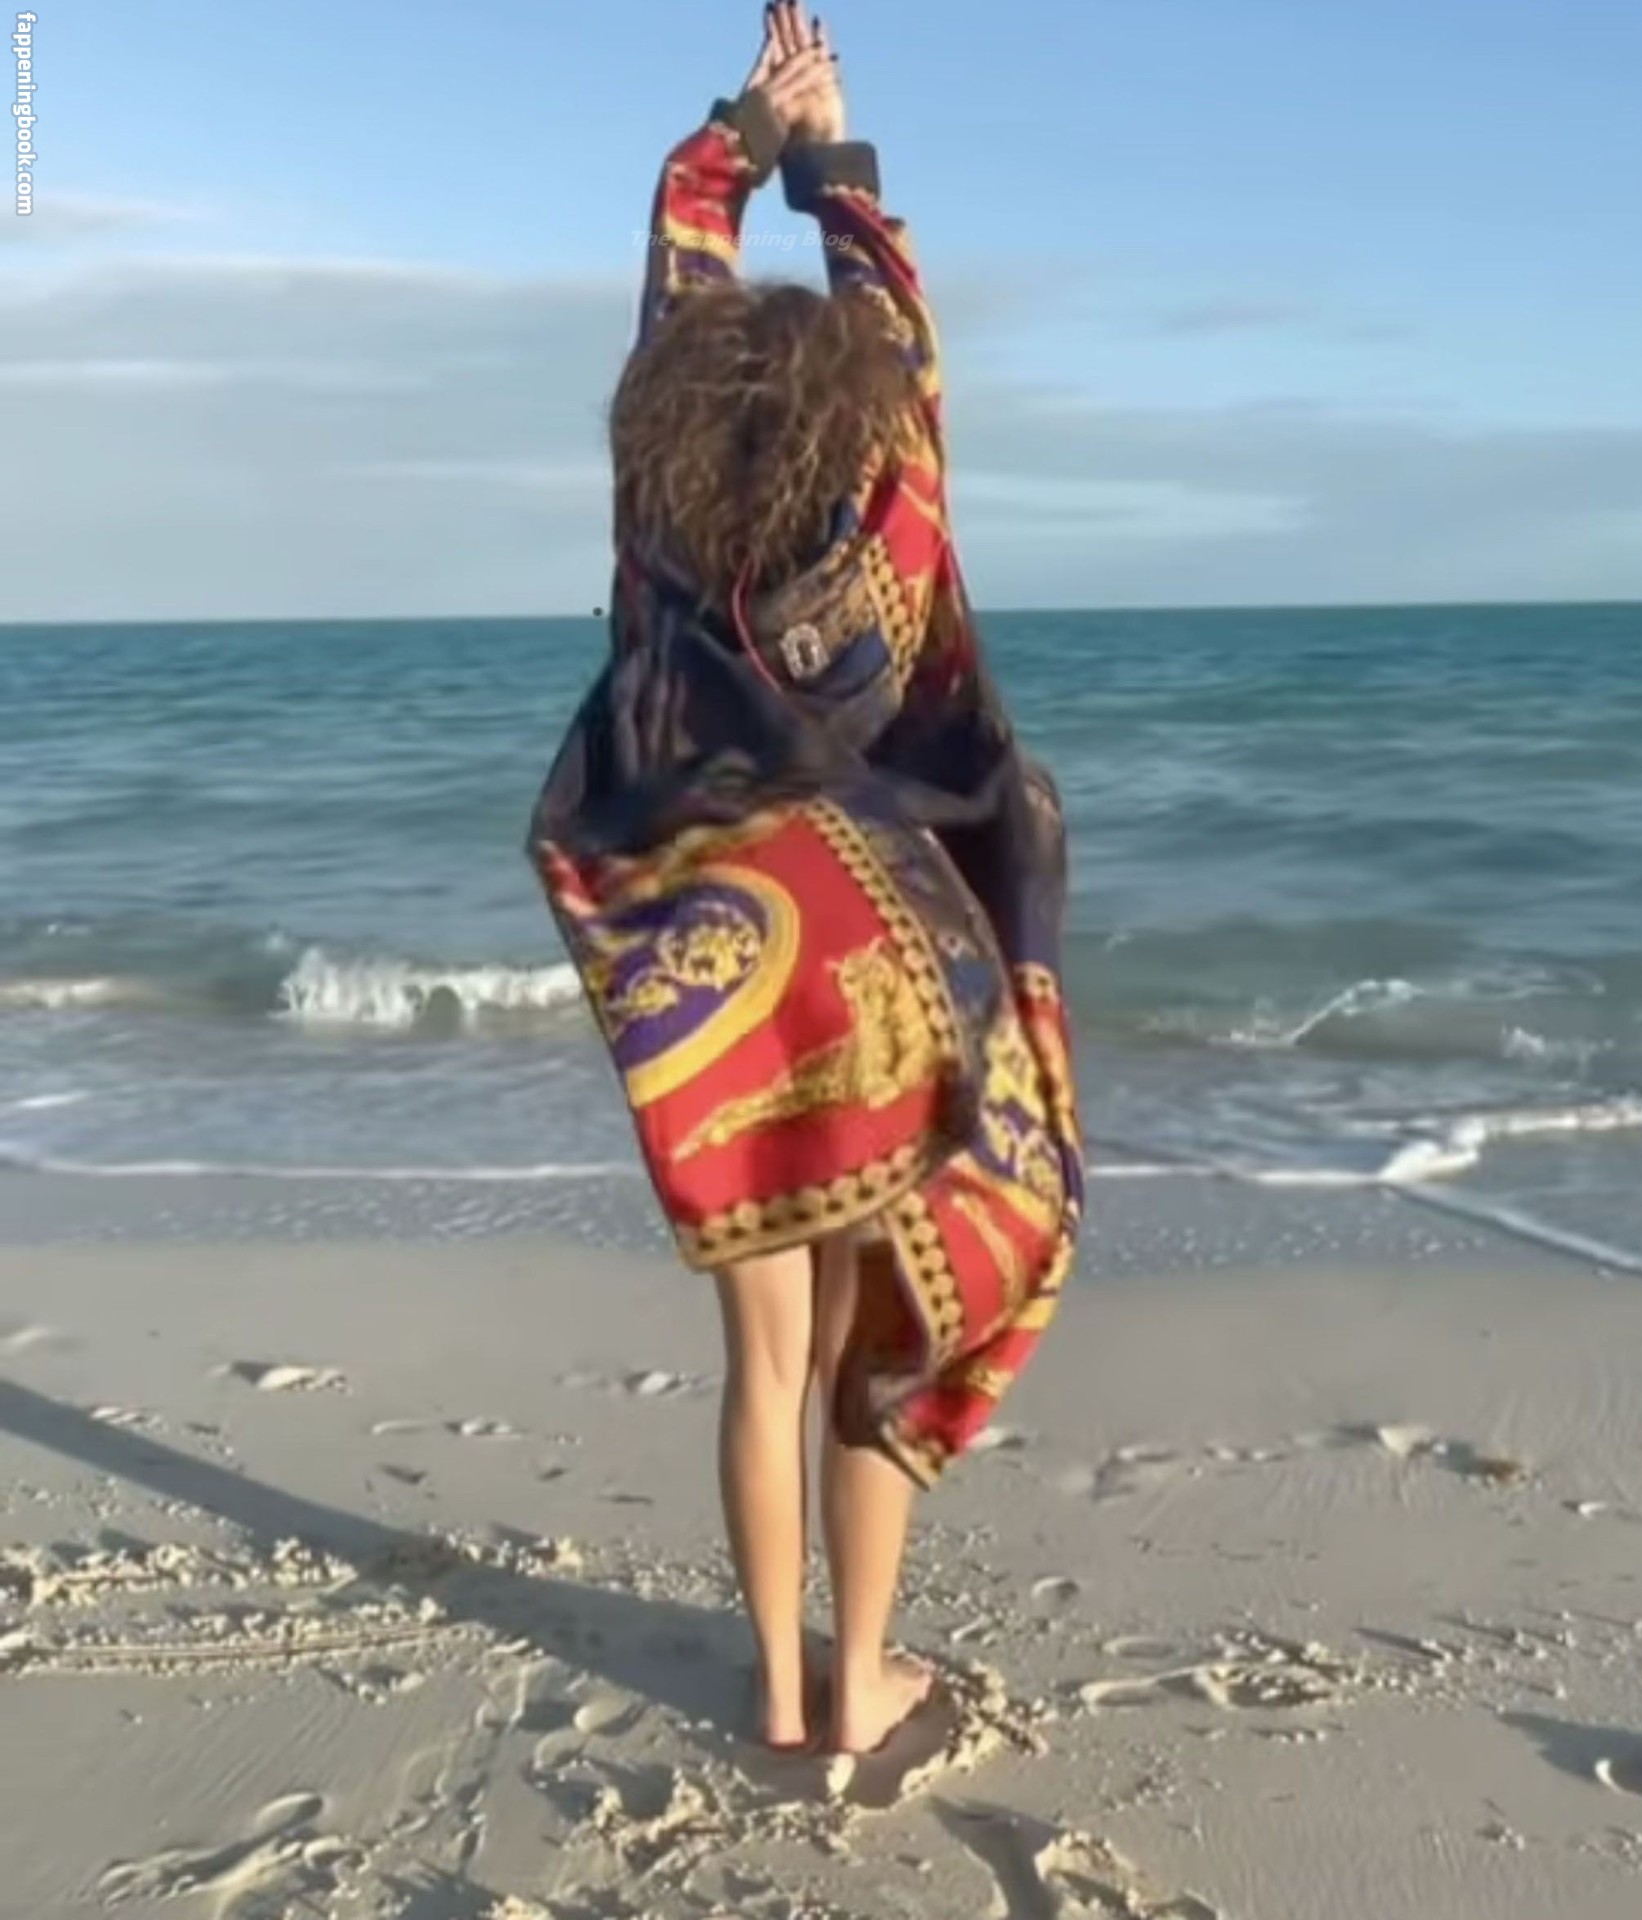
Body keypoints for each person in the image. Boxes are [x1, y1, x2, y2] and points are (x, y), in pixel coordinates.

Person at [528, 2, 1082, 1758]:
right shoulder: (889, 485)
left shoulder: (659, 516)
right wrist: (831, 150)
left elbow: (676, 261)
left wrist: (740, 133)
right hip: (872, 943)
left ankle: (777, 1697)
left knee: (762, 1358)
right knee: (872, 1337)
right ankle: (863, 1686)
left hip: (703, 933)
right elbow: (896, 318)